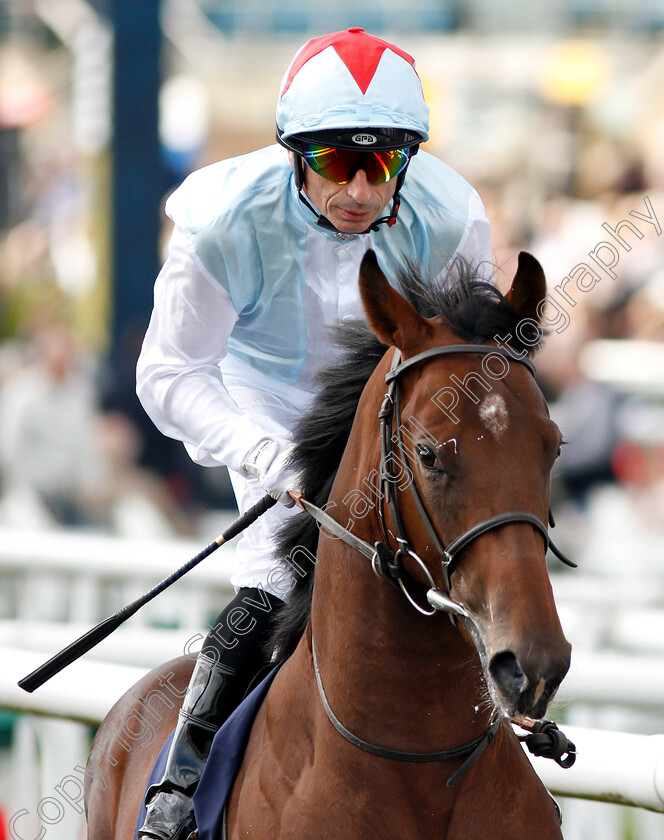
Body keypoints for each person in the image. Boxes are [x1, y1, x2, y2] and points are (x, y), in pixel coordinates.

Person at [136, 27, 492, 840]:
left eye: (385, 163)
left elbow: (470, 366)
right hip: (263, 401)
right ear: (295, 153)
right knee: (279, 574)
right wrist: (260, 451)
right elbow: (166, 375)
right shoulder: (223, 219)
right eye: (337, 163)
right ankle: (180, 787)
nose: (362, 188)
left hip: (389, 401)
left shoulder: (454, 215)